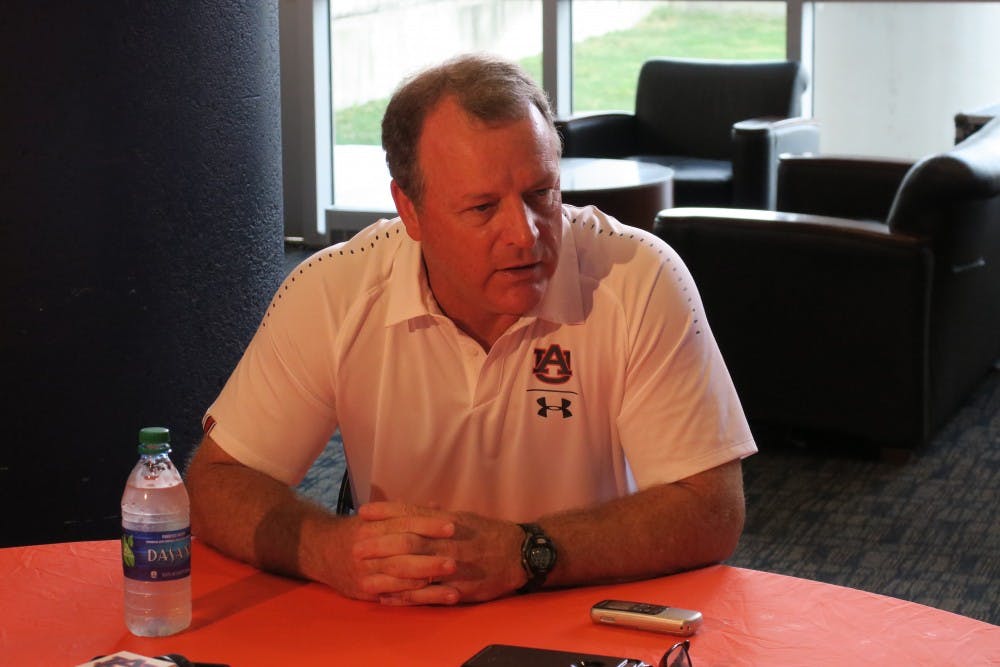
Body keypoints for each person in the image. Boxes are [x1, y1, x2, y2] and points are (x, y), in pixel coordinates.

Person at [186, 53, 756, 606]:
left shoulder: (639, 276)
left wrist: (526, 554)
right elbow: (217, 483)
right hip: (402, 619)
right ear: (409, 210)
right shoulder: (332, 288)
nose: (526, 235)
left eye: (541, 194)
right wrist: (326, 548)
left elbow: (710, 510)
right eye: (483, 208)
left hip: (586, 606)